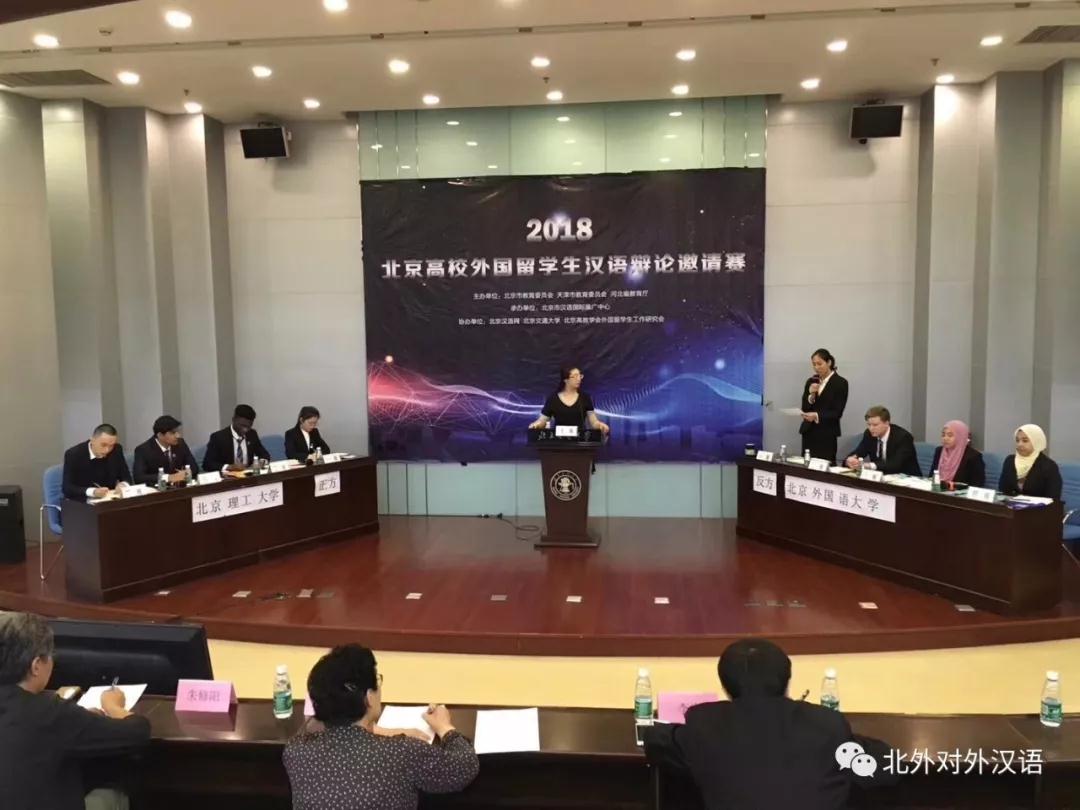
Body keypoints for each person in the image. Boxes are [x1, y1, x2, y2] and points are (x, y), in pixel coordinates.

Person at [644, 638, 896, 810]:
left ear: (726, 685)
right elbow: (886, 764)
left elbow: (655, 739)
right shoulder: (828, 725)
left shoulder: (704, 723)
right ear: (787, 680)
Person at [283, 644, 478, 810]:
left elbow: (320, 728)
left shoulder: (296, 752)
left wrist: (380, 730)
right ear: (368, 697)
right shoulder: (402, 753)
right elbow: (464, 767)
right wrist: (445, 727)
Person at [0, 612, 151, 810]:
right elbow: (138, 733)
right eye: (50, 655)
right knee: (114, 790)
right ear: (36, 666)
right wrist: (113, 706)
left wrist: (79, 718)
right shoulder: (50, 713)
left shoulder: (52, 714)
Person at [798, 348, 849, 464]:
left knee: (824, 466)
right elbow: (805, 408)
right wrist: (811, 394)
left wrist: (816, 415)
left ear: (829, 362)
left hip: (827, 433)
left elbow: (837, 412)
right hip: (809, 431)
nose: (816, 367)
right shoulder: (811, 381)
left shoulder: (840, 383)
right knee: (806, 466)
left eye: (819, 364)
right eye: (814, 364)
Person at [528, 365, 610, 436]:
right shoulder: (553, 399)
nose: (579, 379)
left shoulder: (585, 398)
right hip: (558, 441)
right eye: (575, 376)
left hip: (580, 440)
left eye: (580, 376)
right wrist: (536, 425)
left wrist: (600, 425)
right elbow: (542, 421)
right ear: (565, 380)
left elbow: (594, 422)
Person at [61, 425, 132, 502]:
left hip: (109, 500)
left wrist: (123, 484)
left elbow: (126, 477)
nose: (107, 450)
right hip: (82, 501)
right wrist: (93, 492)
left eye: (111, 446)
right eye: (103, 445)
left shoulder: (116, 450)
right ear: (92, 440)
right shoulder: (74, 454)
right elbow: (67, 488)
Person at [844, 406, 921, 476]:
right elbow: (859, 452)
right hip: (880, 478)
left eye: (875, 425)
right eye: (869, 424)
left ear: (886, 423)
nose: (871, 428)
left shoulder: (903, 437)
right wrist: (850, 460)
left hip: (907, 478)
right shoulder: (869, 434)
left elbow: (895, 464)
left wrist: (867, 465)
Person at [999, 424, 1062, 500]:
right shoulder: (1010, 461)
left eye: (1025, 441)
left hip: (1038, 507)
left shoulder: (1049, 466)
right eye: (1017, 440)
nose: (1020, 444)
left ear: (1037, 442)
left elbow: (1053, 500)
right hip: (1009, 506)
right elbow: (1002, 491)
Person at [131, 415, 200, 486]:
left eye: (177, 432)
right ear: (160, 435)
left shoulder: (180, 443)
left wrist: (186, 473)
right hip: (158, 490)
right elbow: (139, 478)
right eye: (173, 433)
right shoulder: (143, 450)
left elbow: (194, 468)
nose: (178, 436)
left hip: (179, 487)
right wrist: (168, 478)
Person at [202, 404, 271, 473]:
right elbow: (207, 464)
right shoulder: (218, 437)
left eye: (249, 426)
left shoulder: (252, 434)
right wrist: (229, 467)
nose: (245, 430)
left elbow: (265, 455)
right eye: (242, 425)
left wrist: (261, 462)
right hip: (228, 477)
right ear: (234, 419)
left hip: (249, 476)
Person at [930, 420, 985, 488]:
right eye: (943, 435)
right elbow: (931, 476)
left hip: (959, 493)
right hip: (937, 490)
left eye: (950, 435)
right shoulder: (939, 451)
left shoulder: (973, 456)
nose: (945, 438)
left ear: (960, 436)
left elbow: (977, 485)